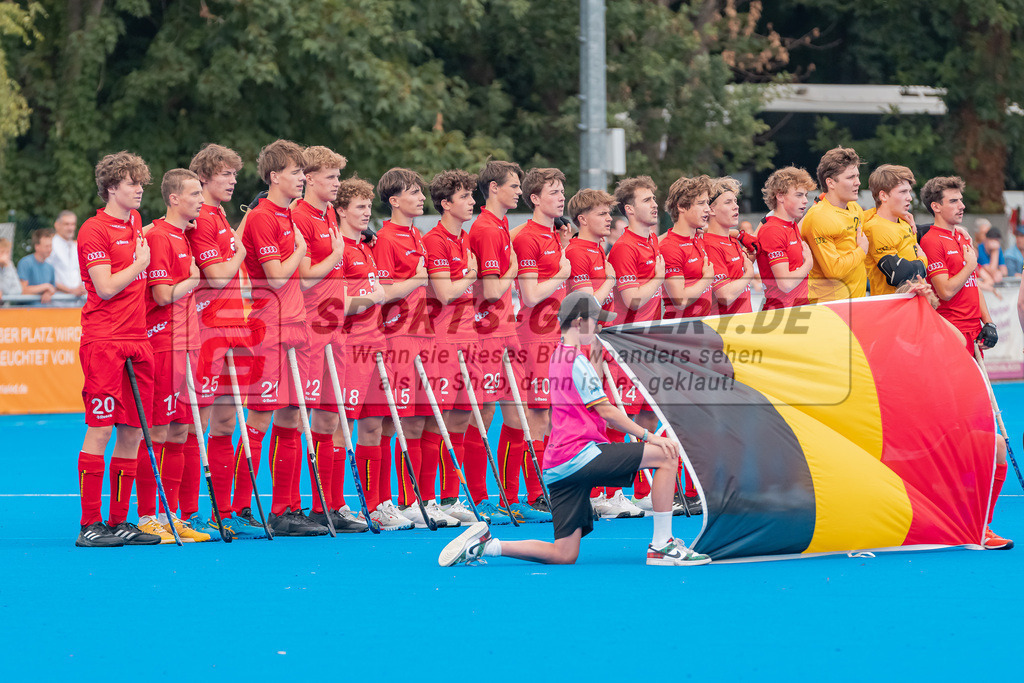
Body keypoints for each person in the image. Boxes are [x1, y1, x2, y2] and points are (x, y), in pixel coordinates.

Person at [439, 291, 712, 567]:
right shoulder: (575, 360)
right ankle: (662, 546)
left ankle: (487, 546)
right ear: (580, 322)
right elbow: (605, 411)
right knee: (666, 455)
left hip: (560, 466)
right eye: (596, 321)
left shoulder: (559, 356)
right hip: (580, 456)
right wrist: (648, 435)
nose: (599, 326)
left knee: (564, 554)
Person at [918, 176, 1012, 550]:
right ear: (936, 206)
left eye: (961, 200)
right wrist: (971, 263)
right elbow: (945, 289)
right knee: (972, 435)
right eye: (953, 201)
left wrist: (987, 321)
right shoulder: (933, 241)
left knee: (989, 435)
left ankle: (980, 522)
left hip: (974, 342)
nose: (961, 206)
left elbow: (972, 286)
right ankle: (970, 522)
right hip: (951, 345)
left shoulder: (963, 237)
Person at [74, 151, 162, 547]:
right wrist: (141, 263)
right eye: (132, 183)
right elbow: (107, 287)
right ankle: (90, 525)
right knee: (101, 428)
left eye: (141, 182)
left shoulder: (136, 222)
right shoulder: (93, 229)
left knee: (133, 433)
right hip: (105, 340)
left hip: (139, 340)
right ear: (112, 188)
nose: (140, 189)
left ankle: (119, 521)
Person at [240, 139, 327, 536]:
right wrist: (302, 251)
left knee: (294, 416)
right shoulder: (263, 217)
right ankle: (241, 505)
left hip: (297, 324)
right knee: (260, 415)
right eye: (295, 172)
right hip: (269, 326)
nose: (301, 179)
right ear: (275, 176)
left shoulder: (289, 215)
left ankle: (286, 506)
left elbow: (302, 276)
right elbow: (276, 276)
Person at [292, 146, 367, 533]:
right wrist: (336, 251)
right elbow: (304, 276)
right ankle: (288, 506)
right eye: (332, 177)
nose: (338, 183)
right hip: (308, 329)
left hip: (337, 330)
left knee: (334, 417)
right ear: (310, 178)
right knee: (301, 418)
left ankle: (330, 505)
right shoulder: (299, 216)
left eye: (339, 176)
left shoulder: (326, 218)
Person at [133, 169, 211, 543]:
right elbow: (163, 295)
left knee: (182, 429)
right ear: (174, 198)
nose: (200, 199)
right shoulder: (159, 236)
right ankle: (148, 516)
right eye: (194, 193)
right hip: (165, 345)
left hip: (189, 344)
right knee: (161, 429)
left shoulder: (185, 234)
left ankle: (171, 514)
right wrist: (194, 280)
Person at [373, 167, 450, 529]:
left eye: (421, 192)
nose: (421, 197)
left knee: (422, 418)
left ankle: (418, 498)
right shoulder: (386, 238)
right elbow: (384, 294)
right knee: (397, 422)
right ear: (394, 200)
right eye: (414, 192)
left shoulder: (417, 235)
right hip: (399, 339)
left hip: (425, 335)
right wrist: (416, 279)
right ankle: (391, 501)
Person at [335, 176, 412, 532]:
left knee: (378, 424)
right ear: (341, 211)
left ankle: (379, 503)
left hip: (377, 344)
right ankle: (338, 503)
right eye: (359, 207)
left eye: (368, 206)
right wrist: (375, 297)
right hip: (351, 347)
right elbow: (337, 306)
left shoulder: (367, 247)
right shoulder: (341, 250)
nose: (367, 213)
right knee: (344, 426)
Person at [564, 187, 644, 519]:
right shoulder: (578, 251)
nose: (609, 219)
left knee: (611, 414)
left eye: (610, 213)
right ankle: (596, 492)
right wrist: (610, 281)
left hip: (602, 340)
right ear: (583, 219)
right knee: (593, 416)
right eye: (601, 213)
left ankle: (610, 491)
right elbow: (584, 304)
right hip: (583, 342)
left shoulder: (599, 249)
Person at [607, 175, 677, 512]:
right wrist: (659, 280)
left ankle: (640, 493)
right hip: (627, 345)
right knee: (624, 417)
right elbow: (632, 299)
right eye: (647, 200)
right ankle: (607, 494)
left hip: (651, 344)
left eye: (654, 198)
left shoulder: (652, 242)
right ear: (629, 209)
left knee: (649, 419)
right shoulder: (624, 247)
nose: (654, 205)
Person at [510, 167, 574, 522]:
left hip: (557, 336)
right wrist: (561, 273)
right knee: (536, 415)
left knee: (551, 416)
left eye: (562, 191)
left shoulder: (553, 236)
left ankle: (546, 487)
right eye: (552, 191)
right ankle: (534, 494)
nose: (560, 196)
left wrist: (562, 250)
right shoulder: (528, 238)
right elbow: (531, 295)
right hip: (534, 337)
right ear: (534, 198)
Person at [421, 168, 483, 526]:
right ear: (445, 203)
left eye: (472, 196)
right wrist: (471, 276)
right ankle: (427, 498)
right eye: (464, 197)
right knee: (436, 420)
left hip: (469, 339)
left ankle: (450, 495)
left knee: (460, 418)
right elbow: (444, 293)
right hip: (442, 341)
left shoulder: (464, 239)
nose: (472, 202)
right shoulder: (436, 240)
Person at [464, 159, 522, 525]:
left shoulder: (501, 226)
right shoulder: (486, 229)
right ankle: (478, 497)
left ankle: (509, 496)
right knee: (482, 414)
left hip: (506, 331)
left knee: (518, 416)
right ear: (495, 189)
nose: (518, 191)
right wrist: (515, 267)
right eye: (514, 186)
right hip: (486, 333)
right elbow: (490, 289)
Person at [802, 146, 868, 302]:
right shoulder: (819, 216)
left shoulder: (855, 207)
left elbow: (874, 224)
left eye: (857, 176)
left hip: (856, 305)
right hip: (830, 308)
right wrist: (861, 250)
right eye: (851, 177)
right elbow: (834, 271)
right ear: (830, 183)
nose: (858, 182)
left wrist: (900, 215)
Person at [862, 164, 927, 296]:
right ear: (883, 196)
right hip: (892, 307)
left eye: (909, 191)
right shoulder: (876, 227)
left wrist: (954, 229)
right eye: (903, 192)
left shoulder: (904, 221)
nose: (909, 197)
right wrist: (923, 261)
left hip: (915, 303)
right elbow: (899, 275)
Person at [756, 167, 815, 309]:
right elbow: (786, 284)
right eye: (799, 195)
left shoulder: (790, 224)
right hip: (782, 315)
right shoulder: (772, 230)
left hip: (798, 311)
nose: (805, 200)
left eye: (806, 195)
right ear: (780, 196)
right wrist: (808, 264)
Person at [661, 175, 715, 320]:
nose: (708, 209)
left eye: (707, 203)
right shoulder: (670, 247)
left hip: (703, 329)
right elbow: (680, 300)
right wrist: (707, 278)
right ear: (681, 206)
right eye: (701, 203)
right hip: (681, 333)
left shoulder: (698, 237)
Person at [703, 177, 754, 315]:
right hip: (726, 330)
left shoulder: (731, 240)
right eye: (728, 202)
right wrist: (749, 274)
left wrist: (750, 260)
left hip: (743, 325)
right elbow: (725, 296)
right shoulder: (710, 244)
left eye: (735, 201)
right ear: (711, 210)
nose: (736, 206)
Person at [47, 210, 86, 296]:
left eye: (73, 224)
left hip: (78, 300)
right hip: (57, 301)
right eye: (66, 224)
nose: (70, 228)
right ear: (56, 225)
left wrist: (82, 288)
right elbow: (46, 275)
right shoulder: (50, 245)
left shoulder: (76, 246)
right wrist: (71, 291)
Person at [18, 228, 57, 303]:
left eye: (50, 246)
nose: (50, 249)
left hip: (43, 311)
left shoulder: (50, 267)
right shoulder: (25, 263)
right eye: (46, 246)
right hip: (26, 311)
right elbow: (22, 290)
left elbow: (52, 289)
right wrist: (45, 286)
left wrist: (47, 292)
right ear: (37, 247)